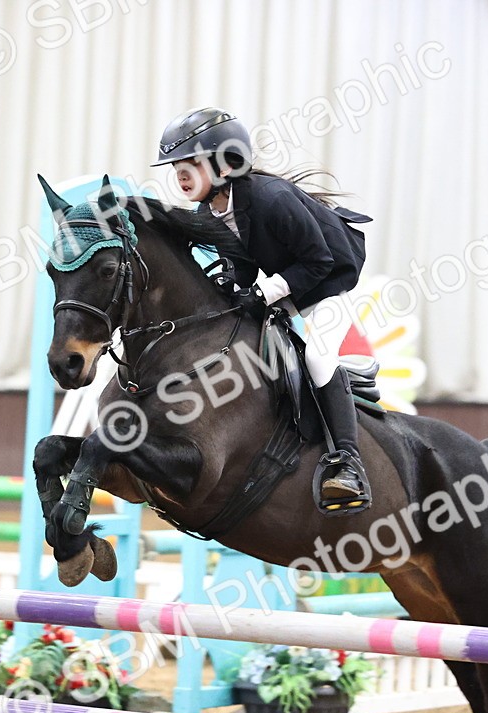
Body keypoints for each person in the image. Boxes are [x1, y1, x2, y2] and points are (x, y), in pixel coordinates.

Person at [152, 106, 373, 515]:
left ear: (225, 164)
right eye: (175, 166)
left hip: (329, 280)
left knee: (317, 355)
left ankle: (348, 462)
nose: (179, 175)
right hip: (291, 281)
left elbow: (318, 262)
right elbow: (244, 266)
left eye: (190, 164)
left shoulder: (272, 199)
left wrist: (264, 293)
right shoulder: (211, 212)